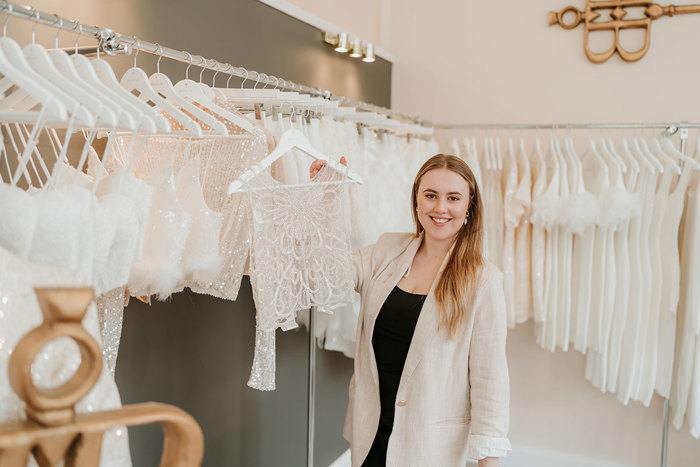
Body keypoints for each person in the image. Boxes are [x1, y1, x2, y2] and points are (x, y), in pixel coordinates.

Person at [310, 154, 511, 466]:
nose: (440, 208)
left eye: (453, 198)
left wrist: (488, 461)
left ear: (469, 207)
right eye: (430, 195)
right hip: (370, 437)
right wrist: (324, 203)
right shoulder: (387, 250)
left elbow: (490, 382)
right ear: (417, 200)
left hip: (428, 448)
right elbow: (325, 275)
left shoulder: (484, 281)